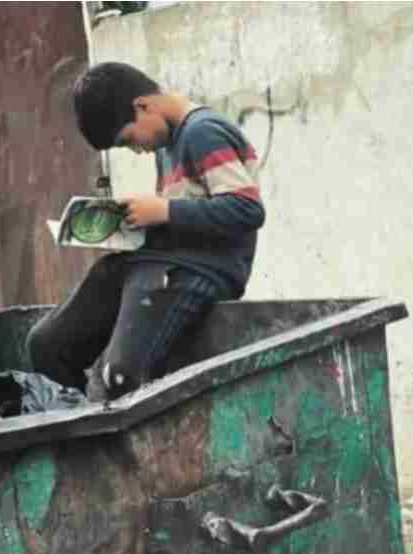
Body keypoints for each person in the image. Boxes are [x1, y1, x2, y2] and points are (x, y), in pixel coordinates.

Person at [26, 62, 266, 402]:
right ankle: (69, 440)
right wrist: (128, 224)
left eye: (128, 140)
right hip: (162, 261)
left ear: (143, 106)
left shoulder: (203, 132)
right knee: (47, 345)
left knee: (119, 375)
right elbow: (183, 217)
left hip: (205, 268)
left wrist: (163, 210)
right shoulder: (165, 147)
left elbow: (247, 209)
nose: (137, 150)